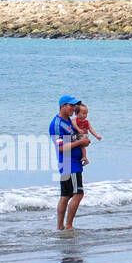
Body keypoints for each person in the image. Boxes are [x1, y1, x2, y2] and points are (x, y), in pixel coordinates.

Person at [49, 96, 90, 231]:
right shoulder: (56, 124)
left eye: (74, 106)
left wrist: (82, 139)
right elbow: (61, 147)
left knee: (66, 196)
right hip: (68, 162)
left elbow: (72, 139)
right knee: (78, 194)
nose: (74, 108)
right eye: (71, 106)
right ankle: (68, 226)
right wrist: (80, 143)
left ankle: (60, 227)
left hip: (74, 161)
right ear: (63, 106)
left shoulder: (68, 121)